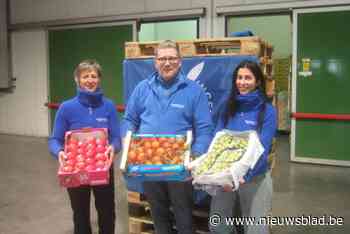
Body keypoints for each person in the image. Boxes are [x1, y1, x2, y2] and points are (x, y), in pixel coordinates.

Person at [124, 40, 213, 234]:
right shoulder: (142, 88)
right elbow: (130, 120)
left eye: (172, 58)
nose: (167, 63)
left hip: (180, 165)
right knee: (158, 212)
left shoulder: (193, 90)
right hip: (150, 163)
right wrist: (129, 145)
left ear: (180, 62)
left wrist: (194, 156)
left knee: (184, 214)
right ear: (155, 62)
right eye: (162, 58)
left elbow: (205, 128)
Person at [48, 60, 121, 234]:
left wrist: (113, 148)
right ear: (77, 79)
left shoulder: (108, 106)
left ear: (99, 79)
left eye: (94, 76)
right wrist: (59, 152)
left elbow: (116, 137)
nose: (90, 80)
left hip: (102, 166)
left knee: (107, 212)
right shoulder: (67, 108)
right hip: (76, 167)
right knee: (80, 213)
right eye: (85, 76)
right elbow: (54, 140)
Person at [209, 60, 277, 234]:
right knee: (218, 223)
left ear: (258, 81)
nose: (242, 82)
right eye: (239, 77)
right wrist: (216, 172)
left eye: (248, 78)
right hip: (225, 177)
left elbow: (262, 148)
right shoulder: (228, 105)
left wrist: (243, 175)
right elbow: (217, 140)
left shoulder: (267, 111)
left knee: (255, 227)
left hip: (254, 176)